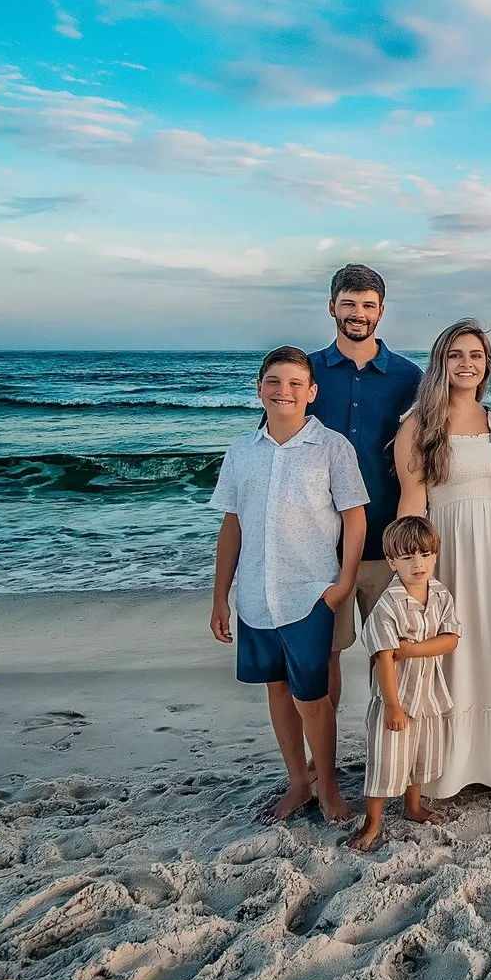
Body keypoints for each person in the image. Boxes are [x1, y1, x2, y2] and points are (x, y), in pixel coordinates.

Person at [209, 346, 369, 823]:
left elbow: (355, 519)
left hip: (309, 594)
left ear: (311, 392)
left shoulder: (332, 447)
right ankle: (298, 782)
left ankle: (329, 785)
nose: (284, 391)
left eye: (295, 383)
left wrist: (344, 583)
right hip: (255, 596)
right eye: (274, 382)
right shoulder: (241, 452)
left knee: (312, 698)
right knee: (276, 690)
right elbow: (232, 526)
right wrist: (221, 595)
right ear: (260, 390)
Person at [394, 320, 491, 796]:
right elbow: (411, 505)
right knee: (453, 653)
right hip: (449, 549)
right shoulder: (419, 423)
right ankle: (449, 769)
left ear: (487, 365)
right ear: (441, 362)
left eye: (476, 355)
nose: (467, 363)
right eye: (457, 354)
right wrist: (412, 577)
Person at [308, 263, 423, 708]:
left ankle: (390, 759)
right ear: (332, 306)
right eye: (349, 303)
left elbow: (435, 451)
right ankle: (325, 761)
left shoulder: (410, 378)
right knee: (325, 659)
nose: (358, 313)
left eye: (368, 305)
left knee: (392, 659)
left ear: (381, 311)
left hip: (388, 544)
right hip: (320, 549)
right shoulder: (307, 373)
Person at [348, 514, 460, 852]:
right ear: (392, 561)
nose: (418, 563)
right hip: (394, 699)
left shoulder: (440, 595)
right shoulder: (387, 605)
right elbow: (383, 659)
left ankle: (413, 807)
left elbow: (451, 640)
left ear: (435, 556)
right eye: (408, 556)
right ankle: (373, 822)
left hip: (429, 695)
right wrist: (393, 705)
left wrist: (410, 649)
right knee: (386, 762)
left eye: (425, 555)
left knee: (418, 759)